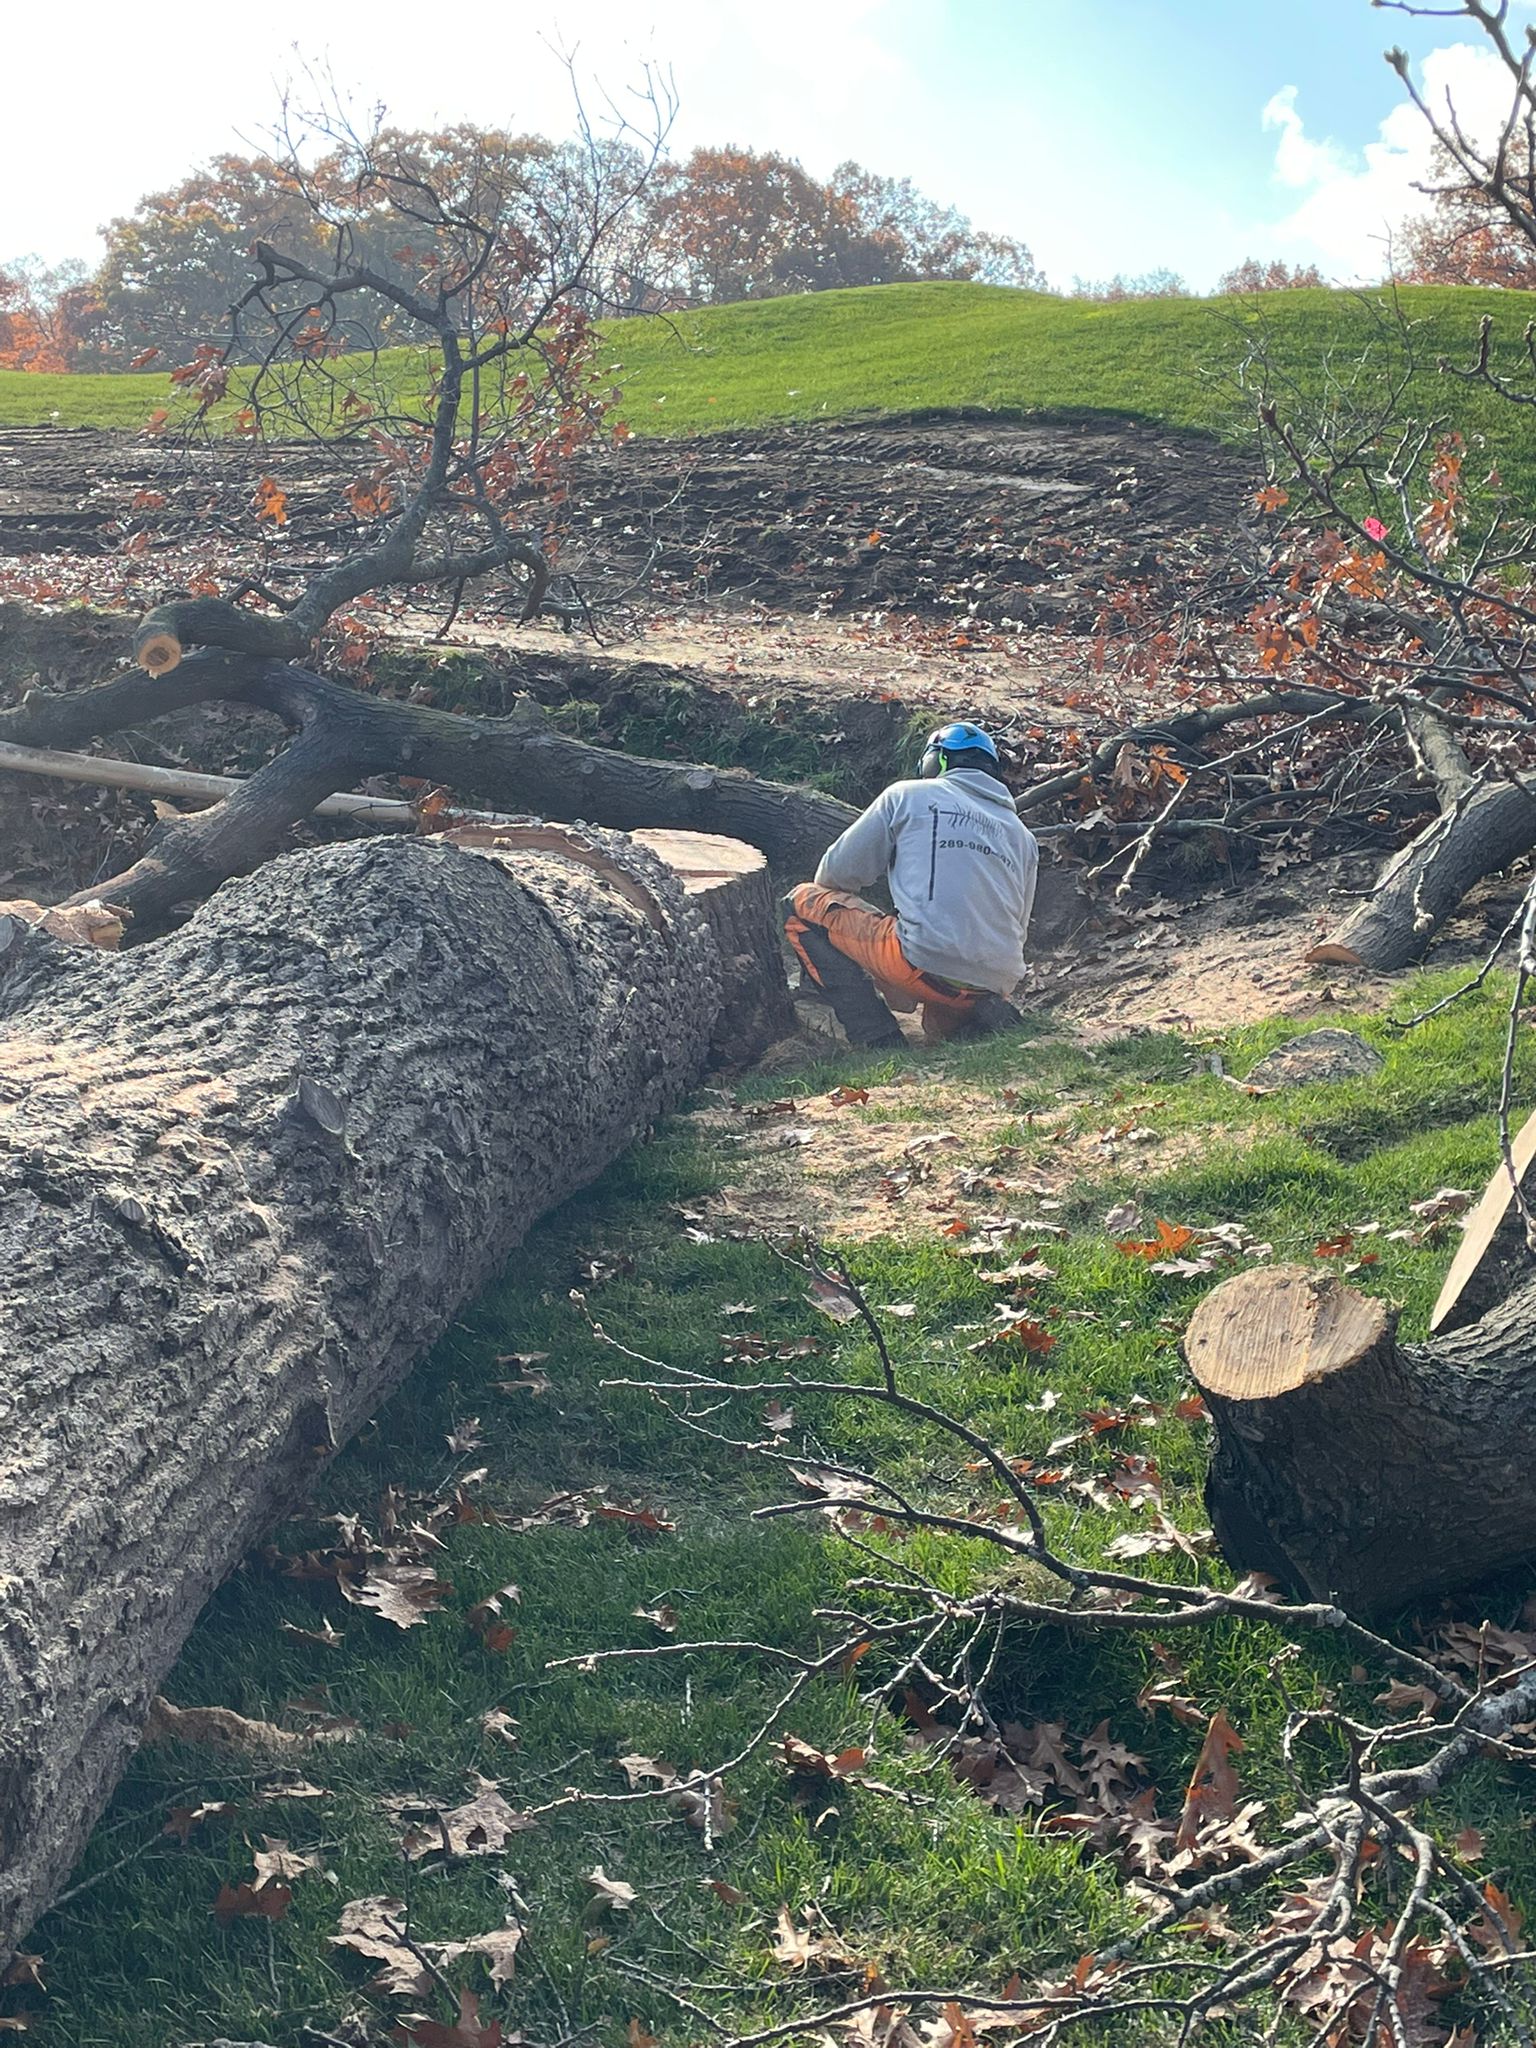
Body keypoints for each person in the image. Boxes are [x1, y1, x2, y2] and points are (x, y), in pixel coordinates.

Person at [785, 721, 1039, 1049]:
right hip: (995, 979)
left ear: (938, 762)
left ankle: (876, 1037)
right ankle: (975, 1017)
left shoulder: (908, 795)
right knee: (937, 1029)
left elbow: (834, 875)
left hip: (922, 962)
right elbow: (1018, 925)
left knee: (804, 903)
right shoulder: (1022, 836)